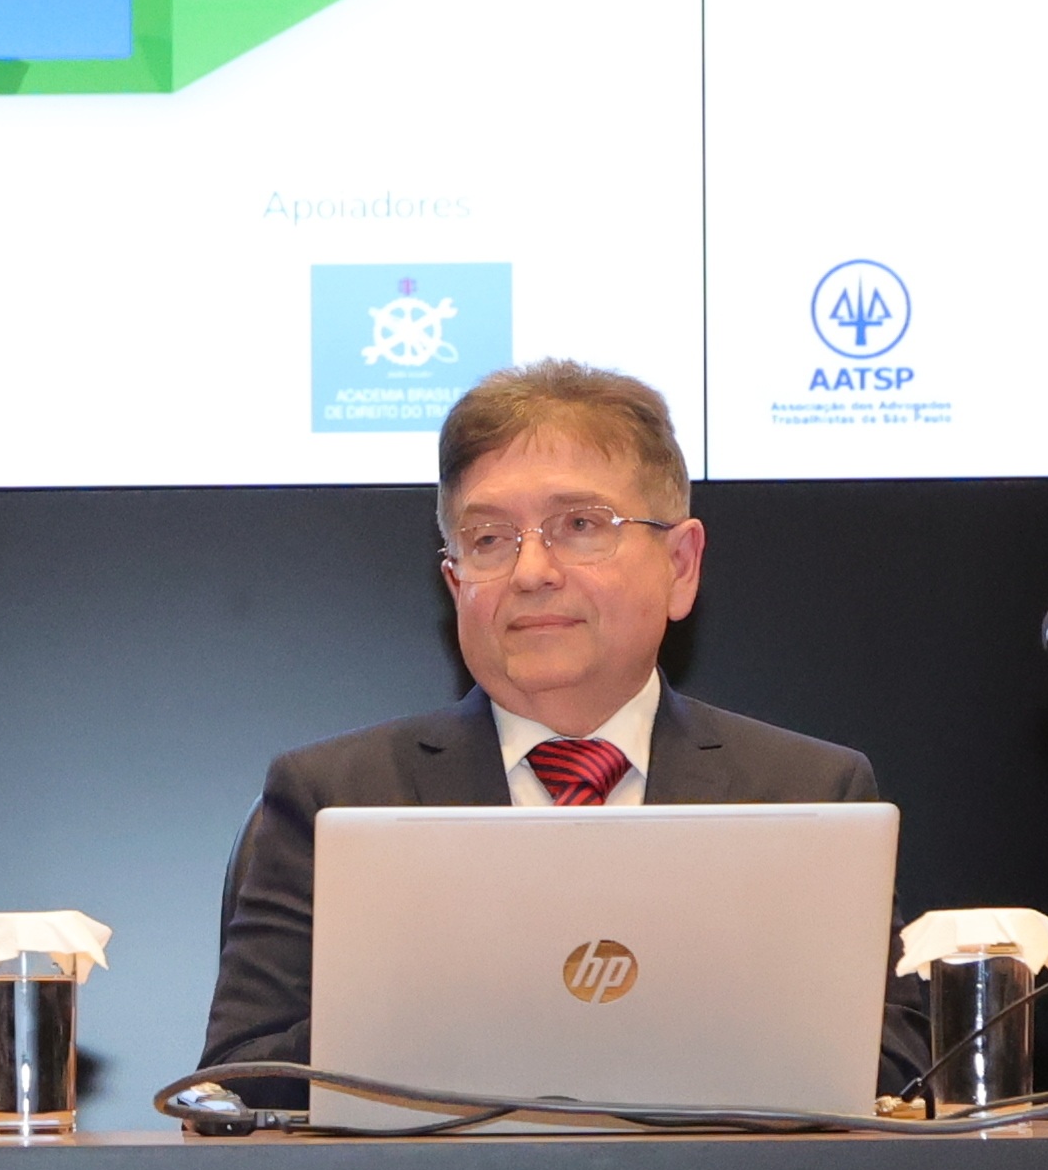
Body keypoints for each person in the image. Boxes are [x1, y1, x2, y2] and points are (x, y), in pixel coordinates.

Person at [196, 358, 880, 1095]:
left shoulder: (807, 792)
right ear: (455, 582)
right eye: (489, 539)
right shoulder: (335, 795)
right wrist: (484, 1004)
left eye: (580, 526)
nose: (531, 572)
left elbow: (896, 1064)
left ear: (681, 566)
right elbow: (240, 1075)